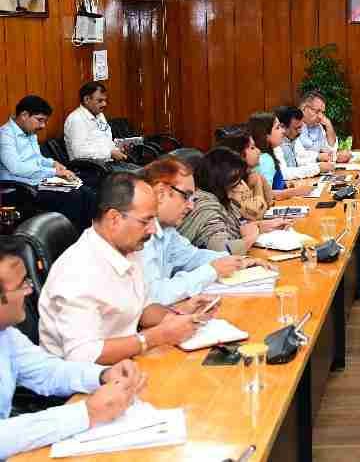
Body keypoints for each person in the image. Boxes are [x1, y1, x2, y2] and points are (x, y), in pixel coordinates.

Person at [39, 173, 213, 364]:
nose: (152, 230)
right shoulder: (77, 273)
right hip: (89, 378)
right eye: (146, 221)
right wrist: (157, 336)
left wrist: (178, 316)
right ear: (114, 219)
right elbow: (84, 355)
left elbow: (144, 308)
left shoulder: (127, 248)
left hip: (125, 363)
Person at [0, 238, 148, 459]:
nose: (29, 290)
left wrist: (103, 375)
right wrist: (86, 413)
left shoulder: (6, 334)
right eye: (22, 285)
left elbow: (47, 371)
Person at [141, 156, 272, 305]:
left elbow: (193, 257)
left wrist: (239, 262)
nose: (191, 206)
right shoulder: (139, 234)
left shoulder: (167, 230)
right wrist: (212, 270)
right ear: (160, 194)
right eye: (186, 196)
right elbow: (155, 296)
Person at [0, 95, 95, 230]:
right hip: (19, 189)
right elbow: (16, 168)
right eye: (40, 120)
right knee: (74, 196)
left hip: (36, 182)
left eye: (44, 121)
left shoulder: (30, 133)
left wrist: (53, 163)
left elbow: (37, 159)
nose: (43, 126)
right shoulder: (5, 135)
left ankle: (89, 235)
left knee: (86, 191)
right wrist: (54, 172)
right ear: (24, 115)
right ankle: (69, 238)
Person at [177, 148, 288, 255]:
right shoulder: (206, 208)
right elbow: (223, 251)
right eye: (235, 183)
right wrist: (250, 237)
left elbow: (240, 227)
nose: (240, 187)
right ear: (221, 181)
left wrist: (260, 226)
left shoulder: (221, 198)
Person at [247, 112, 312, 199]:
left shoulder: (270, 154)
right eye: (277, 128)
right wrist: (295, 192)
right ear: (265, 135)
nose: (283, 131)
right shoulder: (265, 159)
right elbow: (265, 194)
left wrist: (284, 185)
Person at [64, 82, 130, 163]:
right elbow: (79, 153)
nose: (104, 104)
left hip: (108, 163)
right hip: (90, 167)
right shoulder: (76, 119)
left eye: (105, 100)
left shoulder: (99, 115)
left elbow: (106, 141)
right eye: (100, 101)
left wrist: (117, 150)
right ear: (86, 99)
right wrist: (110, 153)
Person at [216, 133, 274, 220]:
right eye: (252, 148)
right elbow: (257, 214)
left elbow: (269, 201)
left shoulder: (249, 175)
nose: (258, 151)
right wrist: (257, 182)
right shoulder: (233, 183)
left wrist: (258, 178)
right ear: (238, 153)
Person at [273, 105, 333, 179]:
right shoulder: (276, 144)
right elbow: (284, 173)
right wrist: (317, 168)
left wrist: (318, 159)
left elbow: (299, 159)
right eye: (296, 128)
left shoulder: (293, 138)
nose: (300, 131)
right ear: (283, 127)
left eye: (301, 127)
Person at [296, 90, 351, 163]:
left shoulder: (318, 126)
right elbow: (298, 157)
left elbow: (330, 149)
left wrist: (329, 125)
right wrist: (318, 156)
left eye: (322, 112)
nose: (320, 116)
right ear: (303, 108)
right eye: (317, 111)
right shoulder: (292, 125)